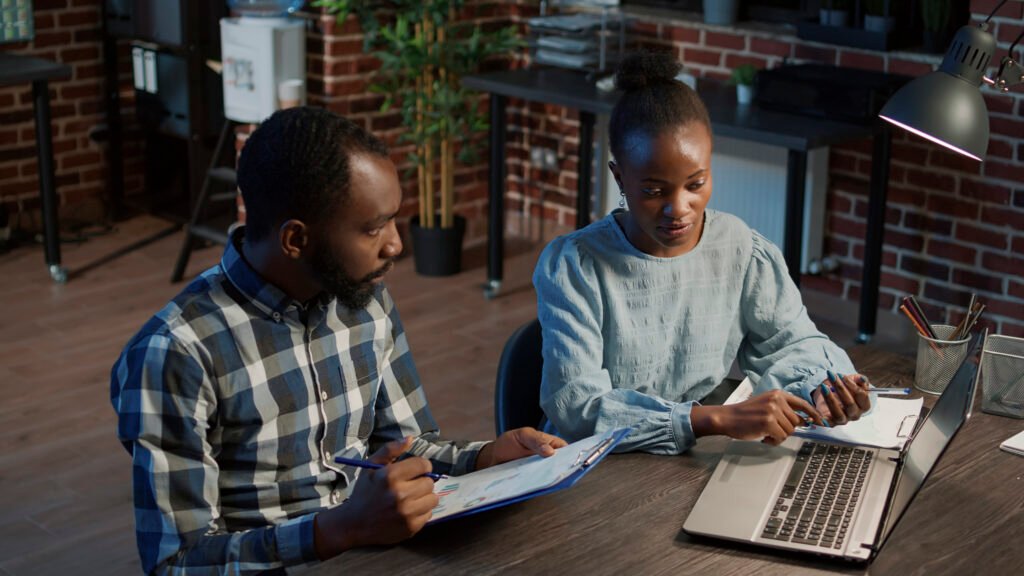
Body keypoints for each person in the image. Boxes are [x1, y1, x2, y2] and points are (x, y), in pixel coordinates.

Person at [111, 106, 566, 575]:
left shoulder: (366, 300)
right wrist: (338, 530)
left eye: (393, 221)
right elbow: (175, 563)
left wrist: (487, 457)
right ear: (295, 239)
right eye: (374, 228)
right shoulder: (174, 355)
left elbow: (405, 449)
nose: (396, 245)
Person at [533, 52, 872, 455]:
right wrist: (711, 419)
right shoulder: (576, 266)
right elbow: (580, 409)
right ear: (619, 177)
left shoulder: (740, 248)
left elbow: (791, 340)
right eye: (654, 191)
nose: (679, 208)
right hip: (590, 465)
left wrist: (827, 387)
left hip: (687, 456)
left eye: (696, 184)